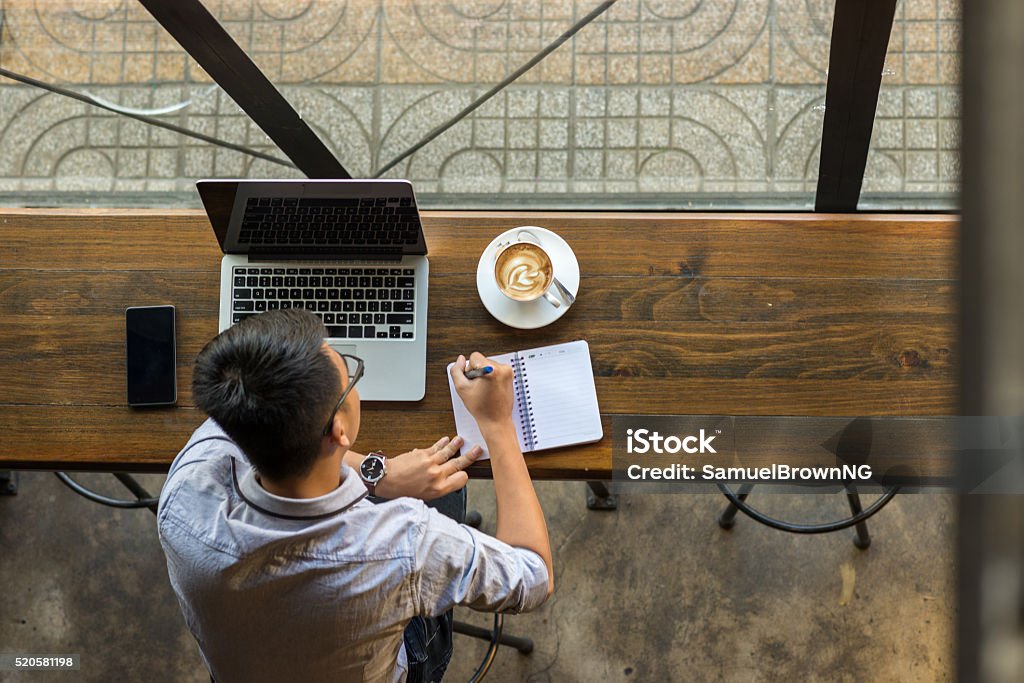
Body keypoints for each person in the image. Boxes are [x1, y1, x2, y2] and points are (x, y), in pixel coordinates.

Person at [157, 308, 553, 682]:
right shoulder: (406, 541)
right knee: (445, 497)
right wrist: (497, 424)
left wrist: (378, 474)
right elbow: (534, 578)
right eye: (350, 376)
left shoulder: (186, 488)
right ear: (339, 433)